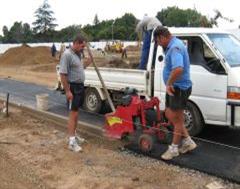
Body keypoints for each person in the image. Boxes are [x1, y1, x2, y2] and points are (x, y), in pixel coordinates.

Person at [153, 26, 197, 160]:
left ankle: (173, 149)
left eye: (158, 42)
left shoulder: (174, 48)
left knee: (177, 119)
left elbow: (178, 69)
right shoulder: (173, 45)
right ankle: (188, 141)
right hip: (174, 88)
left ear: (162, 37)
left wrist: (169, 83)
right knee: (169, 113)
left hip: (178, 88)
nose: (158, 45)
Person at [59, 34, 92, 152]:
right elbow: (63, 74)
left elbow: (80, 68)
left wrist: (89, 62)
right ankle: (71, 142)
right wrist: (67, 91)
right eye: (82, 46)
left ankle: (74, 135)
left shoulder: (77, 54)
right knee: (73, 114)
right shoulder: (67, 55)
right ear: (76, 43)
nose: (83, 48)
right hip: (72, 87)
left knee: (76, 113)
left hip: (80, 87)